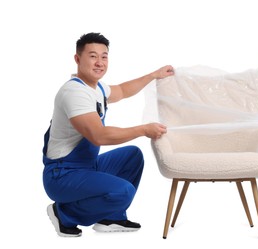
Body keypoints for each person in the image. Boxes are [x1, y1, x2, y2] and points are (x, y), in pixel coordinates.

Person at [42, 32, 174, 237]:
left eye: (104, 56)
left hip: (86, 167)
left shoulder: (96, 87)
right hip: (62, 175)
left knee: (132, 156)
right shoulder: (74, 93)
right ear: (78, 59)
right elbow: (99, 136)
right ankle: (63, 213)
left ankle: (110, 216)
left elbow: (121, 90)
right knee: (123, 191)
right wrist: (143, 130)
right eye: (93, 56)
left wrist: (153, 75)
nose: (100, 62)